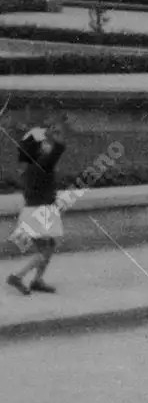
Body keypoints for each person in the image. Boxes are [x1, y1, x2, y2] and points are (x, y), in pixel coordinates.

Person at [8, 115, 68, 295]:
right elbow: (59, 148)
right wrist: (56, 135)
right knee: (46, 248)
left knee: (49, 245)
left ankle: (37, 280)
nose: (46, 145)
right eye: (43, 144)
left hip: (36, 209)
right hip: (40, 211)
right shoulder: (42, 165)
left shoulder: (30, 169)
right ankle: (18, 276)